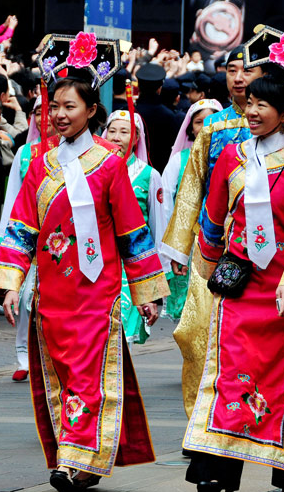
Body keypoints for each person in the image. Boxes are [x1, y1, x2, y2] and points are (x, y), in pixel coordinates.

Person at [0, 34, 168, 492]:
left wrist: (149, 293)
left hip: (98, 294)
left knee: (90, 377)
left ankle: (75, 461)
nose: (61, 114)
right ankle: (80, 460)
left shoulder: (110, 165)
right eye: (56, 106)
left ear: (91, 110)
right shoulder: (39, 165)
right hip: (52, 296)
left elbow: (133, 232)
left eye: (71, 106)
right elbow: (21, 227)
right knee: (65, 378)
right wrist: (10, 283)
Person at [183, 68, 284, 492]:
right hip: (242, 286)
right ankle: (217, 466)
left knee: (283, 379)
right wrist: (206, 271)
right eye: (249, 104)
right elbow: (212, 218)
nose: (251, 112)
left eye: (263, 105)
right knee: (231, 373)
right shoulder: (234, 156)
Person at [160, 46, 264, 430]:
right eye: (231, 70)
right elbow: (192, 188)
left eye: (246, 71)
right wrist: (177, 246)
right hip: (211, 249)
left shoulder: (281, 129)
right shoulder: (212, 128)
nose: (238, 77)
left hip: (259, 251)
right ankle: (199, 420)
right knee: (196, 332)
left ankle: (245, 418)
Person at [0, 95, 59, 381]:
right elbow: (13, 198)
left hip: (60, 238)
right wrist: (5, 239)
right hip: (28, 234)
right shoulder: (24, 152)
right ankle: (23, 356)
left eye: (51, 110)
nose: (44, 117)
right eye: (38, 112)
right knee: (23, 299)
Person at [102, 110, 166, 344]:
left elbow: (157, 227)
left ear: (136, 138)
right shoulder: (93, 171)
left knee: (123, 332)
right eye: (112, 130)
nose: (116, 137)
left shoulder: (149, 175)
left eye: (124, 131)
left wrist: (155, 284)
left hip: (131, 264)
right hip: (98, 259)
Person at [160, 99, 222, 320]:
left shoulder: (233, 156)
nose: (205, 126)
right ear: (190, 128)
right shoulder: (178, 161)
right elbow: (167, 205)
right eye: (199, 122)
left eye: (212, 121)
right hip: (189, 240)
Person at [135, 62, 185, 171]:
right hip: (161, 170)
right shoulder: (169, 116)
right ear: (159, 88)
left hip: (132, 170)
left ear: (138, 87)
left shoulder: (129, 111)